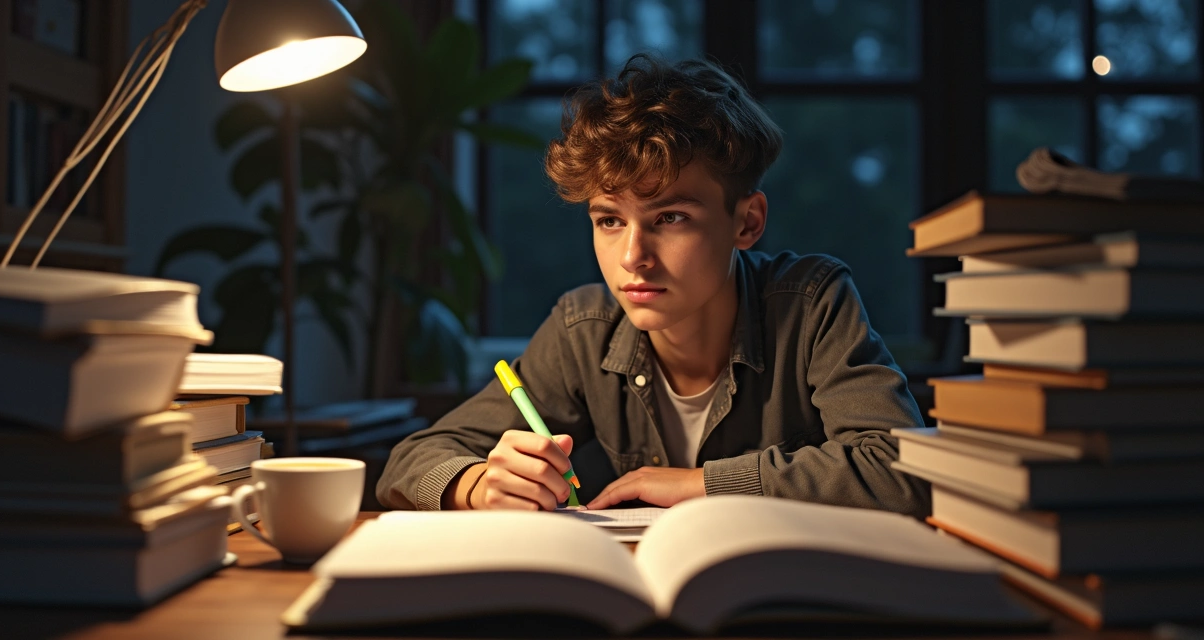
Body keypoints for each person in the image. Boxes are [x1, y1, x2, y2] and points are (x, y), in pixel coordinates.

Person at [376, 54, 929, 517]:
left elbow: (901, 467)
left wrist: (701, 483)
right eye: (610, 220)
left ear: (747, 223)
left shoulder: (812, 302)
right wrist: (477, 484)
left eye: (670, 218)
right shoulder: (583, 329)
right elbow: (412, 460)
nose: (633, 258)